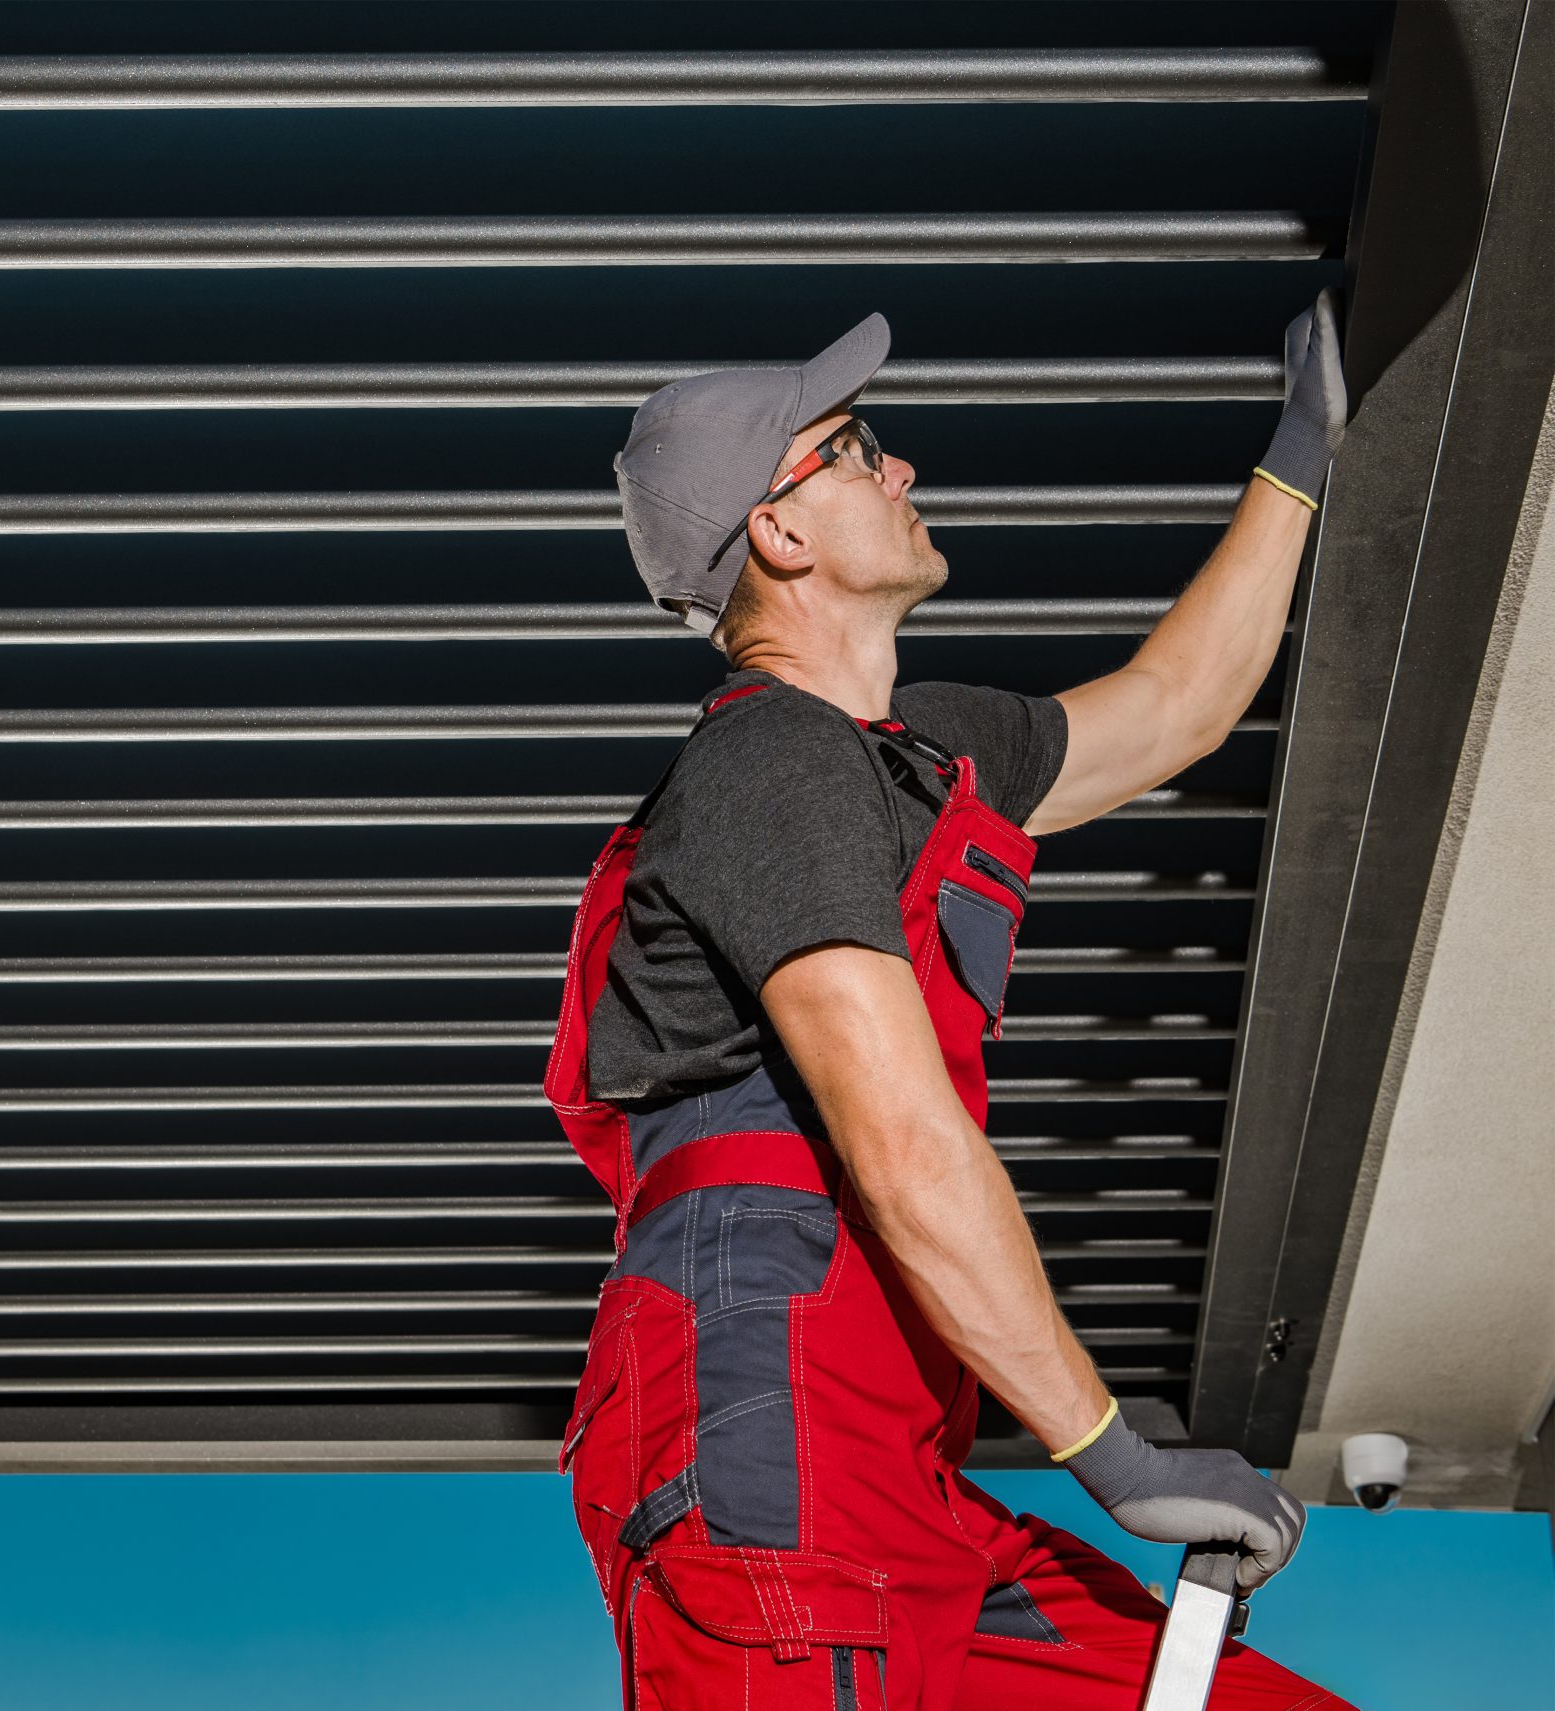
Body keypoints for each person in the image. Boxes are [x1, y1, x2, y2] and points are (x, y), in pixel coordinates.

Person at [544, 299, 1357, 1709]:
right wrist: (1117, 1453)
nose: (900, 470)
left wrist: (1302, 452)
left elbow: (1175, 709)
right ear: (783, 536)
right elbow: (907, 1147)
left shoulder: (920, 758)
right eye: (857, 449)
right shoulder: (769, 771)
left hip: (905, 1472)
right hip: (772, 1451)